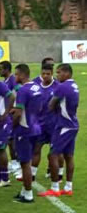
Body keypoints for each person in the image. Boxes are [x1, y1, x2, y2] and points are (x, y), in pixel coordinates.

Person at [39, 64, 79, 197]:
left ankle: (55, 187)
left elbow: (51, 105)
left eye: (59, 72)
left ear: (67, 73)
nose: (57, 75)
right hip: (73, 124)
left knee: (53, 154)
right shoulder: (74, 85)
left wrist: (53, 108)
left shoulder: (62, 86)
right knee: (69, 156)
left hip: (63, 125)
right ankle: (68, 186)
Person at [10, 64, 42, 203]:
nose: (15, 77)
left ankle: (28, 194)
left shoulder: (22, 90)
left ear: (23, 75)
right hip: (36, 127)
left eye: (16, 74)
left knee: (25, 163)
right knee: (28, 160)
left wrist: (12, 127)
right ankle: (24, 191)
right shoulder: (37, 87)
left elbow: (18, 113)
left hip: (24, 129)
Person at [29, 64, 59, 183]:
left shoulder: (58, 87)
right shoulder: (37, 87)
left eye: (48, 74)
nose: (45, 76)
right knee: (36, 149)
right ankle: (32, 175)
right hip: (40, 124)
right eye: (43, 74)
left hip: (54, 124)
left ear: (52, 74)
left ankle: (58, 174)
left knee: (55, 152)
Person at [0, 60, 21, 174]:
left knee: (12, 139)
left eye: (1, 69)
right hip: (9, 112)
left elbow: (19, 91)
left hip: (13, 114)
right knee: (10, 139)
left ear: (7, 70)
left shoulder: (12, 80)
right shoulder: (6, 81)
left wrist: (15, 107)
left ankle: (16, 163)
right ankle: (14, 162)